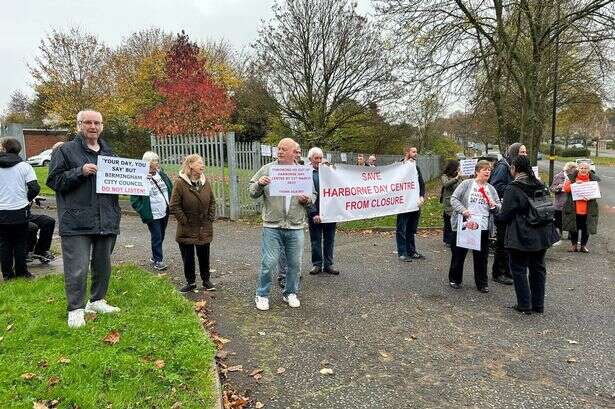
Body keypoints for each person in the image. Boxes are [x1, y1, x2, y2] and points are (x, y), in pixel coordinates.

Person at [47, 110, 121, 328]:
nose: (92, 126)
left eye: (97, 122)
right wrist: (79, 171)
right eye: (87, 122)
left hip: (106, 219)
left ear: (102, 126)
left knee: (103, 264)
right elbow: (53, 180)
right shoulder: (66, 151)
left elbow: (120, 182)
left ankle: (97, 300)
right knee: (77, 267)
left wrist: (139, 180)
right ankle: (76, 309)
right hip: (76, 221)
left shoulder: (110, 153)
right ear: (78, 125)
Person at [249, 137, 315, 311]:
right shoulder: (268, 169)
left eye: (284, 149)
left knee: (295, 264)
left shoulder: (302, 172)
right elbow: (252, 192)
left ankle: (290, 292)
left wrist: (307, 199)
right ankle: (262, 295)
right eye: (278, 148)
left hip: (295, 225)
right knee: (268, 262)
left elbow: (313, 195)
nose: (280, 151)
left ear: (294, 152)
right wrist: (259, 184)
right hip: (272, 225)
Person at [498, 155, 559, 314]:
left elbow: (505, 215)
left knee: (518, 268)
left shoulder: (514, 187)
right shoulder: (539, 183)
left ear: (515, 169)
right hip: (542, 233)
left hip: (521, 234)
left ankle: (524, 304)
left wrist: (494, 212)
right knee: (538, 268)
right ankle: (538, 305)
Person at [448, 160, 500, 292]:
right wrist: (463, 210)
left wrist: (495, 206)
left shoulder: (491, 189)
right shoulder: (467, 184)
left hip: (482, 227)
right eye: (484, 169)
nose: (488, 171)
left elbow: (499, 206)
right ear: (477, 171)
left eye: (489, 170)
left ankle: (482, 283)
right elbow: (454, 199)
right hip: (464, 224)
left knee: (481, 257)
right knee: (459, 254)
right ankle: (455, 279)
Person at [169, 154, 216, 292]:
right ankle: (191, 283)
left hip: (204, 226)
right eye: (199, 163)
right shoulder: (180, 183)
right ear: (190, 165)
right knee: (188, 257)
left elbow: (212, 201)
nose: (203, 165)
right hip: (187, 227)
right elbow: (174, 205)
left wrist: (210, 217)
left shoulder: (205, 181)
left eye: (203, 162)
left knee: (204, 255)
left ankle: (206, 280)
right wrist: (184, 220)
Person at [0, 137, 40, 280]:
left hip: (1, 211)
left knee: (4, 243)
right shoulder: (25, 166)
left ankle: (7, 275)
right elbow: (35, 187)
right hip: (20, 210)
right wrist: (27, 199)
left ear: (4, 149)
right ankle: (22, 272)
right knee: (20, 242)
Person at [488, 142, 527, 285]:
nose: (525, 155)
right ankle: (498, 272)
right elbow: (496, 186)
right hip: (504, 209)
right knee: (503, 243)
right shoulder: (504, 167)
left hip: (514, 209)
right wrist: (516, 189)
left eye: (525, 152)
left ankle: (508, 270)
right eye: (522, 152)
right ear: (515, 152)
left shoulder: (517, 168)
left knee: (511, 243)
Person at [130, 151, 173, 271]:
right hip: (152, 213)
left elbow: (170, 188)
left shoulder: (161, 174)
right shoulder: (140, 178)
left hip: (164, 210)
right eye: (155, 161)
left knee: (161, 234)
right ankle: (158, 260)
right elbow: (134, 200)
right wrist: (144, 211)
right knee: (157, 236)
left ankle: (155, 257)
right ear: (148, 163)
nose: (157, 163)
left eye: (157, 160)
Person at [307, 147, 339, 276]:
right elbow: (307, 194)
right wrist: (314, 213)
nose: (319, 161)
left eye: (321, 158)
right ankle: (317, 264)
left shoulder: (329, 172)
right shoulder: (306, 173)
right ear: (310, 159)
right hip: (314, 210)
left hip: (330, 211)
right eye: (316, 158)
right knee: (315, 239)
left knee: (329, 239)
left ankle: (328, 264)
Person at [562, 162, 600, 253]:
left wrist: (591, 196)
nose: (583, 170)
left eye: (585, 168)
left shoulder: (592, 180)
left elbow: (596, 192)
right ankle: (574, 245)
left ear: (589, 170)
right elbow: (566, 189)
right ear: (578, 169)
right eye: (581, 168)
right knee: (573, 227)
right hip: (574, 208)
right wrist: (575, 184)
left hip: (588, 209)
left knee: (586, 229)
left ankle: (583, 246)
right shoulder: (572, 178)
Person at [396, 146, 426, 262]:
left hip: (415, 203)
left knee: (411, 229)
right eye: (413, 152)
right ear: (407, 152)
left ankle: (412, 251)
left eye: (416, 152)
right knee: (402, 228)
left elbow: (421, 183)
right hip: (403, 204)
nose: (415, 154)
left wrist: (421, 196)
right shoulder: (399, 167)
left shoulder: (416, 167)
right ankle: (402, 253)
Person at [549, 162, 577, 245]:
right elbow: (552, 188)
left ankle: (570, 234)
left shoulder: (575, 177)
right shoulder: (558, 176)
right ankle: (559, 234)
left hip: (571, 202)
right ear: (569, 169)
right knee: (558, 220)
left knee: (571, 219)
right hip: (560, 202)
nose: (575, 171)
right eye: (574, 169)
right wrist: (558, 188)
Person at [440, 159, 462, 246]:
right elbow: (446, 184)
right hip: (448, 202)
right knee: (448, 222)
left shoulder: (458, 176)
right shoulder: (444, 176)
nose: (459, 169)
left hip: (457, 201)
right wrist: (456, 178)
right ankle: (447, 240)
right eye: (458, 167)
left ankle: (454, 238)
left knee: (455, 221)